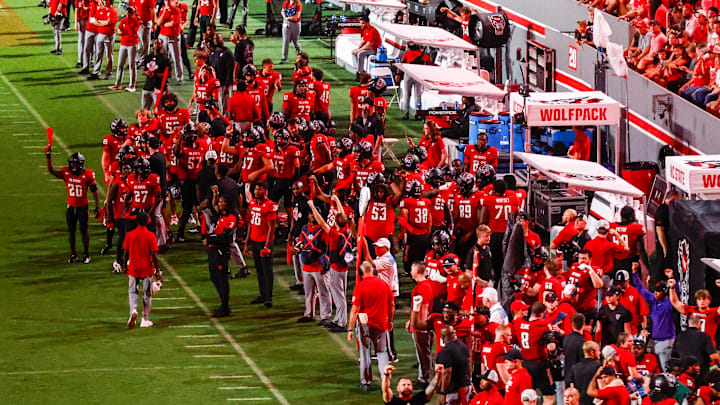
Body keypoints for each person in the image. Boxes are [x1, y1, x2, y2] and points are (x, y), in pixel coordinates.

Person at [348, 261, 395, 392]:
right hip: (381, 324)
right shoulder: (384, 285)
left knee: (364, 353)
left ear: (361, 273)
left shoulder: (360, 286)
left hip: (365, 324)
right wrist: (390, 320)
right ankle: (386, 379)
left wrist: (350, 328)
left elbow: (355, 310)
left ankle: (366, 382)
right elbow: (392, 305)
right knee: (382, 353)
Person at [46, 150, 99, 264]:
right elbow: (52, 171)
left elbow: (94, 190)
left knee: (84, 231)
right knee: (71, 231)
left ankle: (86, 254)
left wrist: (97, 205)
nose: (73, 165)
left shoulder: (87, 174)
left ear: (81, 164)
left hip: (82, 208)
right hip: (71, 207)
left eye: (76, 163)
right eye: (72, 163)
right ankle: (73, 254)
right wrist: (48, 157)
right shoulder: (66, 172)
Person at [632, 263, 676, 371]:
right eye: (655, 291)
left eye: (658, 291)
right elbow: (640, 289)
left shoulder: (670, 304)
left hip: (665, 341)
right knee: (653, 367)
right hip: (653, 341)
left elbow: (677, 296)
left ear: (665, 292)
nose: (655, 293)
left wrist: (672, 281)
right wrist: (634, 273)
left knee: (666, 370)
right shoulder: (653, 300)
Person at [122, 212, 161, 328]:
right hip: (146, 268)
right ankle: (145, 319)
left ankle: (133, 310)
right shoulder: (151, 236)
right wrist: (158, 270)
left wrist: (124, 266)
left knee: (132, 291)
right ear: (147, 222)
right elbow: (154, 254)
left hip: (133, 266)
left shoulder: (130, 234)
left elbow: (125, 253)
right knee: (147, 294)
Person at [203, 192, 237, 318]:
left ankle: (225, 306)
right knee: (214, 277)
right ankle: (223, 303)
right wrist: (215, 195)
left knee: (222, 279)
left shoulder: (231, 218)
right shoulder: (219, 216)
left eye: (224, 202)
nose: (221, 204)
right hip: (213, 251)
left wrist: (210, 239)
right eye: (220, 201)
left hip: (221, 252)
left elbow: (225, 238)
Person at [245, 182, 277, 308]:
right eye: (256, 189)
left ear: (266, 191)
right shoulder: (252, 203)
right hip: (254, 239)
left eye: (260, 189)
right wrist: (247, 241)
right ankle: (262, 294)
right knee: (259, 270)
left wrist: (267, 246)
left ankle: (268, 297)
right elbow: (250, 223)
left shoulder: (270, 206)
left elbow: (271, 228)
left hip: (264, 241)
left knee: (267, 270)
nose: (257, 191)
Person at [671, 313, 720, 383]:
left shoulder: (680, 335)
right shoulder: (705, 336)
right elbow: (713, 356)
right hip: (701, 374)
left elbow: (674, 355)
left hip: (684, 374)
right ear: (699, 324)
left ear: (688, 324)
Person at [435, 325, 472, 405]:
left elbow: (447, 373)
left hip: (453, 391)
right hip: (466, 387)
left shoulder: (444, 352)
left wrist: (443, 392)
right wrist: (469, 381)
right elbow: (469, 365)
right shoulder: (463, 346)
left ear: (442, 337)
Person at [112, 6, 141, 92]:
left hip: (132, 44)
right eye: (127, 13)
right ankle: (117, 83)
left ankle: (132, 85)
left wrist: (123, 32)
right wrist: (122, 32)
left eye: (129, 13)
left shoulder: (136, 21)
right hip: (123, 44)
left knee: (132, 65)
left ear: (133, 14)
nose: (127, 14)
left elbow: (132, 32)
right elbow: (118, 30)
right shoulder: (124, 20)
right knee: (120, 64)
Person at [156, 0, 184, 85]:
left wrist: (163, 24)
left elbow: (172, 23)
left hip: (173, 36)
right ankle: (165, 76)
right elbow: (158, 22)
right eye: (166, 1)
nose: (167, 3)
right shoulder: (163, 9)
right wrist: (164, 13)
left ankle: (180, 77)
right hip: (163, 36)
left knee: (176, 57)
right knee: (164, 57)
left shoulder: (176, 10)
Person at [567, 341, 602, 405]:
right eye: (598, 351)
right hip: (593, 401)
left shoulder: (575, 367)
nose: (600, 353)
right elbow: (601, 386)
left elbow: (572, 388)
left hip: (580, 401)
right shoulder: (598, 367)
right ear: (592, 352)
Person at [140, 39, 171, 111]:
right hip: (147, 86)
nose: (157, 45)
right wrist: (146, 73)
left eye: (159, 43)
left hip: (159, 87)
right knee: (144, 110)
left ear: (162, 45)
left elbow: (169, 74)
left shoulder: (165, 59)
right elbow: (143, 70)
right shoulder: (148, 57)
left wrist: (156, 74)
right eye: (155, 43)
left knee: (159, 110)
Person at [654, 189, 679, 277]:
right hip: (664, 242)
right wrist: (664, 247)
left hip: (670, 242)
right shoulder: (662, 211)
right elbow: (659, 230)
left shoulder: (670, 209)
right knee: (664, 265)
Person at [564, 313, 588, 382]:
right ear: (583, 324)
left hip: (567, 375)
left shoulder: (567, 338)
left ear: (572, 324)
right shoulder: (582, 342)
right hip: (577, 378)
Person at [280, 0, 302, 64]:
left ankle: (300, 55)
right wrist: (285, 17)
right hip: (286, 23)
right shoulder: (286, 2)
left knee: (295, 41)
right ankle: (284, 58)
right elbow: (282, 11)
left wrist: (288, 18)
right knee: (285, 41)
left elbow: (297, 16)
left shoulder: (298, 3)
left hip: (295, 24)